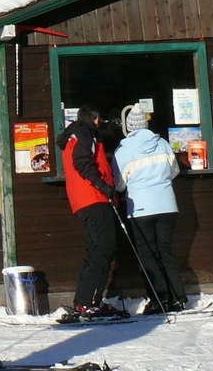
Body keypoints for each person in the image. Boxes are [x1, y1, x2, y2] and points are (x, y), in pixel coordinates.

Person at [56, 106, 124, 320]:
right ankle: (89, 303)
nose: (101, 124)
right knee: (103, 248)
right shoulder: (86, 134)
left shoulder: (74, 135)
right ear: (94, 119)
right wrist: (104, 187)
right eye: (100, 120)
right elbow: (83, 163)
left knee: (96, 249)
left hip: (84, 200)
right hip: (94, 198)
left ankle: (86, 301)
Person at [114, 115, 187, 314]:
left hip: (141, 208)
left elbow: (119, 184)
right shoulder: (162, 143)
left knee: (148, 255)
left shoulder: (124, 150)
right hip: (167, 204)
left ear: (128, 127)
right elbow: (174, 171)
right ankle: (178, 298)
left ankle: (159, 299)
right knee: (166, 252)